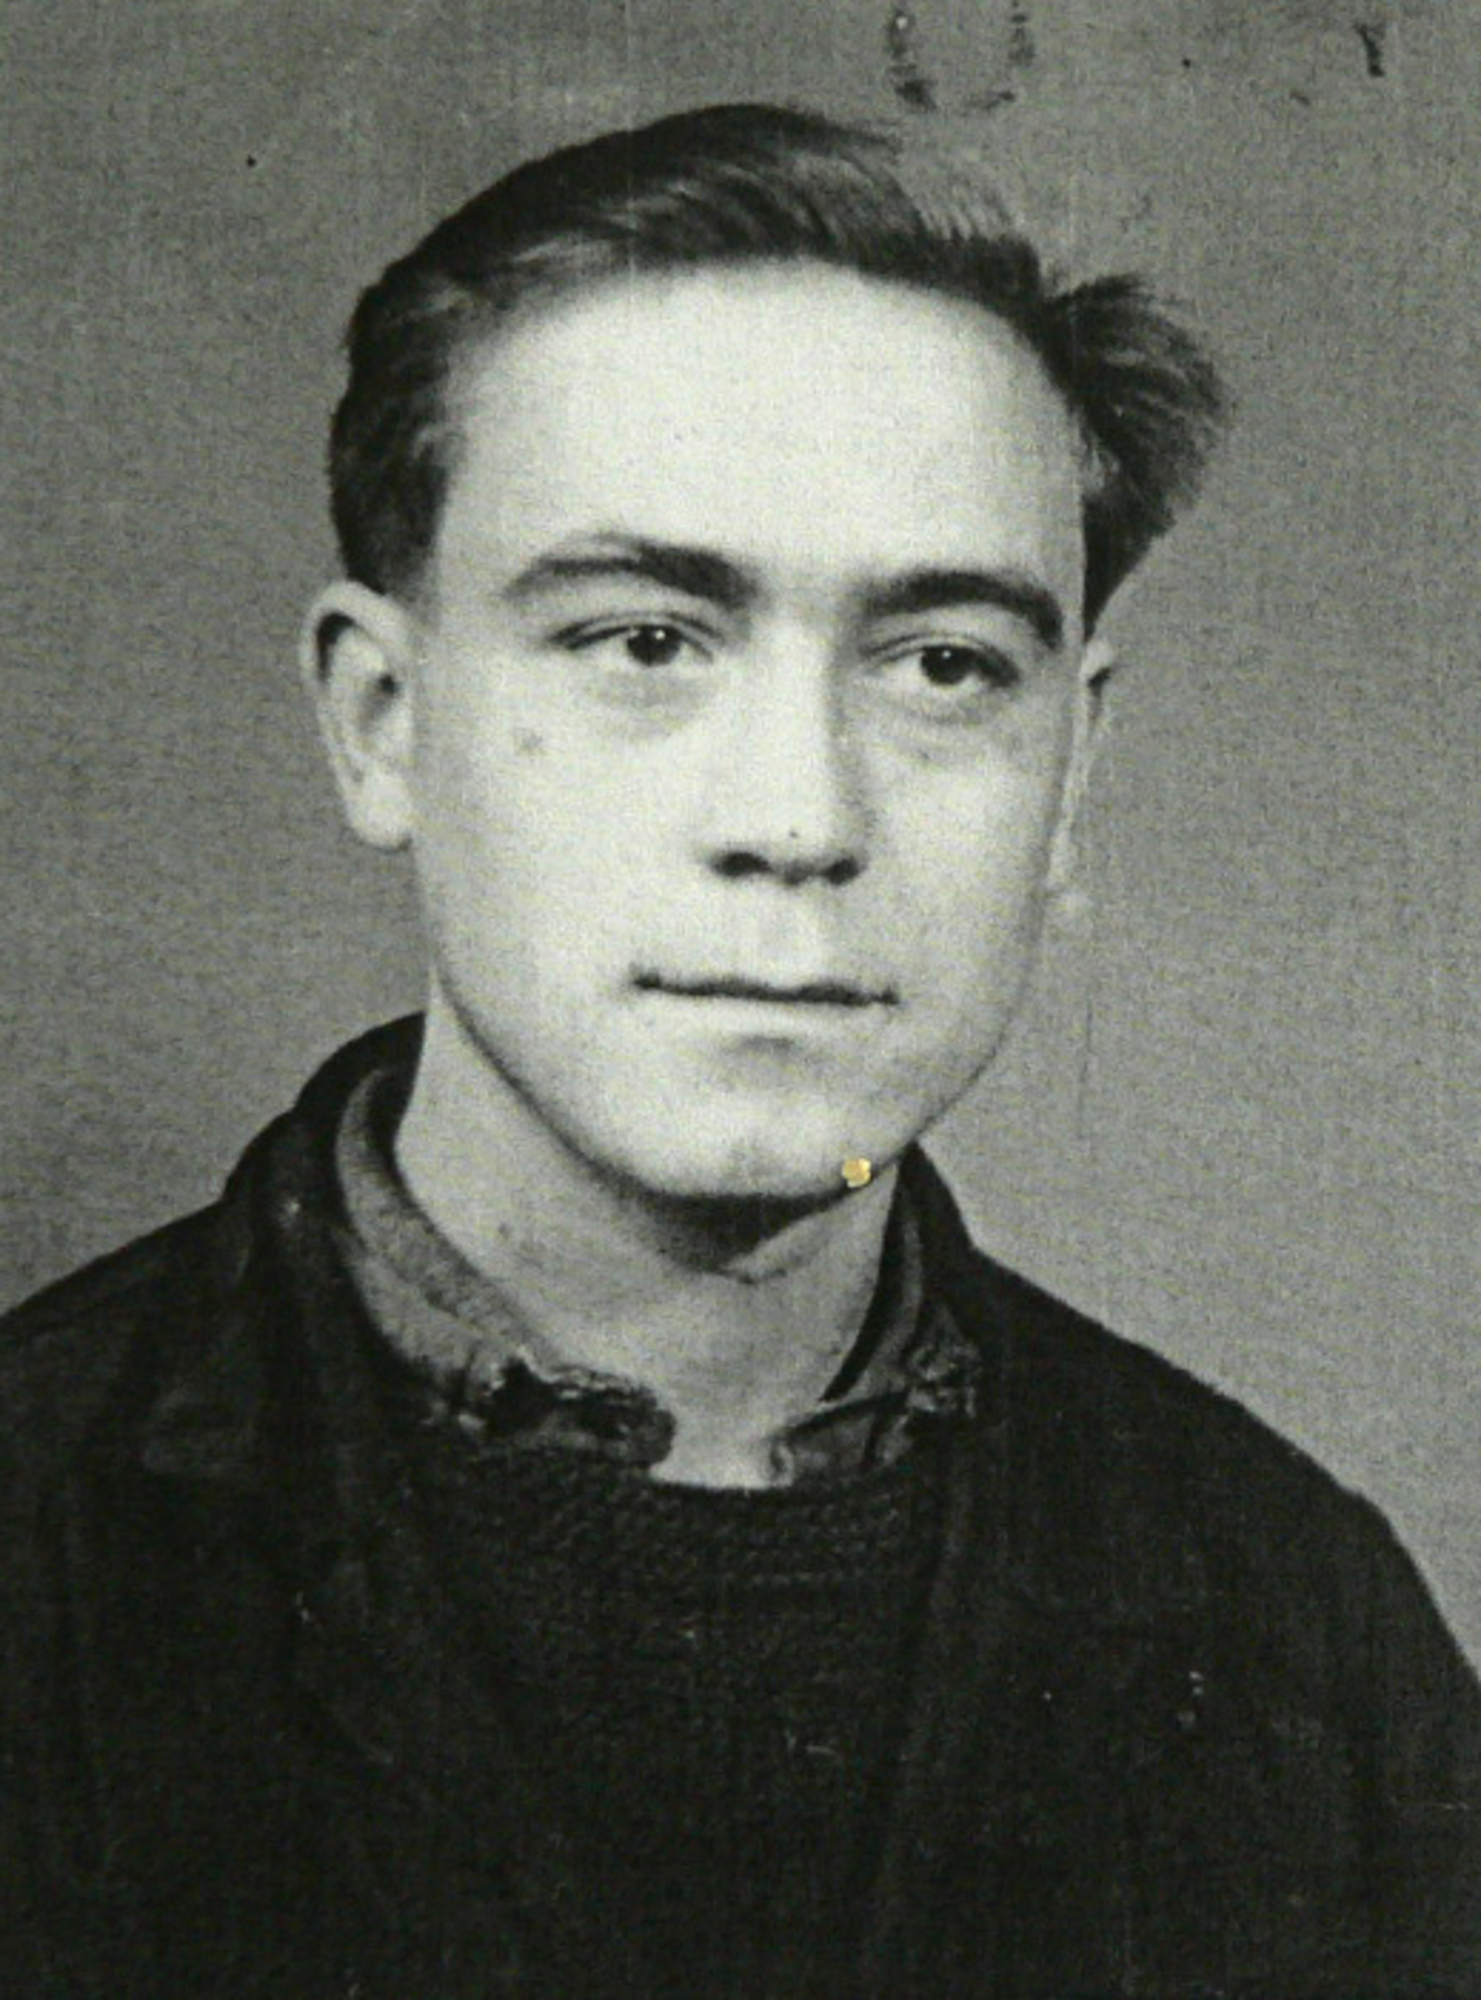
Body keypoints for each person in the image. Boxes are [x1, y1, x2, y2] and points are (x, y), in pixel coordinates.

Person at [1, 102, 1476, 1999]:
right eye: (644, 641)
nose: (797, 818)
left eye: (941, 665)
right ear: (380, 724)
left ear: (1070, 777)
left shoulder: (1298, 1623)